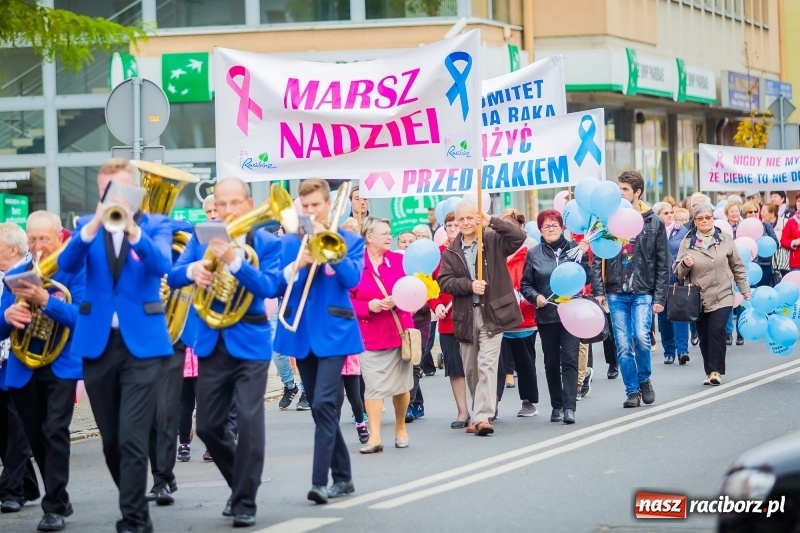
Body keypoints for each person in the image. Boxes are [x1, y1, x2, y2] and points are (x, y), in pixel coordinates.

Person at [57, 159, 173, 533]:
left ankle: (135, 517)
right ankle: (133, 499)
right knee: (111, 441)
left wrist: (134, 230)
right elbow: (65, 267)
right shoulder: (85, 229)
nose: (113, 197)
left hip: (143, 345)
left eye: (120, 190)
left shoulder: (156, 225)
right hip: (98, 343)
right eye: (106, 190)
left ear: (135, 192)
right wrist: (91, 226)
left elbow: (162, 266)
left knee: (133, 435)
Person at [168, 177, 283, 528]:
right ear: (213, 207)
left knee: (249, 418)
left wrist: (234, 261)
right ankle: (240, 485)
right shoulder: (202, 239)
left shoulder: (264, 242)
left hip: (249, 340)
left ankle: (245, 501)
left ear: (248, 206)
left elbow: (270, 286)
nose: (228, 210)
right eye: (222, 204)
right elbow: (171, 277)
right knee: (208, 425)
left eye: (235, 203)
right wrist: (193, 270)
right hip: (210, 341)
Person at [274, 178, 365, 504]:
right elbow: (272, 286)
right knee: (321, 411)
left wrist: (329, 253)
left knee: (325, 404)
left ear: (328, 205)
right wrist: (298, 264)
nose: (311, 211)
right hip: (299, 335)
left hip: (335, 334)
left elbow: (353, 279)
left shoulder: (349, 240)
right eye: (306, 206)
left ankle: (319, 481)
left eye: (317, 205)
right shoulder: (289, 243)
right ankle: (344, 477)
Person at [0, 212, 85, 532]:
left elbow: (83, 318)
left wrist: (46, 300)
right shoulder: (18, 273)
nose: (37, 246)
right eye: (32, 239)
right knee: (35, 436)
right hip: (23, 367)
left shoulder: (74, 270)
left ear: (59, 239)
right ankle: (59, 499)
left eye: (43, 239)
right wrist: (8, 315)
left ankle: (53, 507)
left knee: (55, 432)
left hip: (61, 365)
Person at [438, 202, 526, 435]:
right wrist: (469, 285)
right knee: (471, 369)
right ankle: (480, 412)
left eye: (471, 218)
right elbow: (444, 281)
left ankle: (482, 417)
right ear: (456, 223)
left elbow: (519, 237)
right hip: (465, 316)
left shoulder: (493, 241)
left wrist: (492, 220)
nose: (466, 223)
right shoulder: (451, 252)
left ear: (478, 219)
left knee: (487, 364)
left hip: (493, 313)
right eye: (462, 219)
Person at [591, 171, 668, 409]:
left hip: (642, 290)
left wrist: (660, 296)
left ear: (637, 192)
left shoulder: (653, 221)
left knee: (642, 339)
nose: (620, 193)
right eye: (619, 189)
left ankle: (644, 379)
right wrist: (599, 288)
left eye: (625, 189)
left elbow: (663, 261)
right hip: (616, 291)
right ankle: (632, 390)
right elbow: (596, 257)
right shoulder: (606, 220)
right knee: (623, 344)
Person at [350, 217, 414, 452]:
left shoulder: (399, 261)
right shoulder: (355, 264)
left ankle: (400, 427)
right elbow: (346, 300)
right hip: (370, 335)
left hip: (399, 331)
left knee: (401, 385)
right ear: (369, 236)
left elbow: (415, 290)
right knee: (374, 386)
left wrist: (398, 300)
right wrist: (369, 306)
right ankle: (375, 437)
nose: (389, 237)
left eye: (390, 233)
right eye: (384, 233)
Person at [521, 210, 589, 424]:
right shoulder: (534, 254)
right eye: (546, 226)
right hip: (547, 314)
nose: (551, 229)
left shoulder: (575, 250)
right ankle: (556, 405)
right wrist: (536, 297)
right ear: (540, 230)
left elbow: (587, 275)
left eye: (554, 225)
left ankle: (570, 407)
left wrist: (585, 255)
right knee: (551, 363)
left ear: (562, 227)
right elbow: (525, 284)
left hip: (572, 313)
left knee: (569, 359)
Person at [146, 214, 194, 506]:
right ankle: (162, 474)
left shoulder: (177, 245)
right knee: (146, 416)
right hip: (139, 336)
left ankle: (162, 478)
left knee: (166, 411)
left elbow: (187, 232)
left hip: (173, 338)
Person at [674, 204, 750, 386]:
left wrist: (744, 288)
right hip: (698, 297)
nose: (704, 221)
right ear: (695, 221)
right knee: (705, 336)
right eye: (700, 218)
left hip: (723, 293)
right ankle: (709, 371)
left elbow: (737, 266)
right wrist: (685, 264)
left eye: (708, 217)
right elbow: (677, 272)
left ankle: (716, 371)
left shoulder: (724, 239)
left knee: (717, 330)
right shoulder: (687, 242)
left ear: (713, 219)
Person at [0, 223, 40, 517]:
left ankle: (10, 490)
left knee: (17, 429)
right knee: (3, 430)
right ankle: (27, 485)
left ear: (12, 249)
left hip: (25, 362)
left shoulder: (34, 274)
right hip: (2, 362)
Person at [497, 209, 539, 419]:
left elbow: (535, 281)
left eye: (512, 226)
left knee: (525, 362)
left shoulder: (530, 253)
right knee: (495, 365)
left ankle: (529, 401)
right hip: (498, 319)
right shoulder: (492, 252)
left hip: (525, 317)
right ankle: (491, 404)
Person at [429, 212, 468, 428]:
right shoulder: (437, 255)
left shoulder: (475, 251)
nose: (453, 228)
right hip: (448, 320)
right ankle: (462, 411)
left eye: (457, 224)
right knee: (455, 367)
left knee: (476, 366)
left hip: (472, 316)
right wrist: (436, 304)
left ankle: (484, 408)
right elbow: (430, 285)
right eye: (449, 225)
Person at [652, 202, 689, 365]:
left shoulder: (682, 231)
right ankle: (669, 351)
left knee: (680, 315)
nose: (669, 215)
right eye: (665, 213)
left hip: (678, 279)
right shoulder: (653, 232)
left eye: (671, 212)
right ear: (657, 216)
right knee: (664, 317)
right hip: (660, 281)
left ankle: (682, 351)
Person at [743, 200, 778, 289]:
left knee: (763, 291)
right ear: (745, 214)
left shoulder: (766, 225)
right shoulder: (741, 228)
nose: (753, 214)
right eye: (750, 212)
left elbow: (776, 244)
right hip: (748, 267)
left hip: (764, 265)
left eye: (756, 211)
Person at [763, 203, 789, 279]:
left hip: (783, 261)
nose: (761, 214)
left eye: (763, 211)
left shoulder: (785, 222)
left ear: (772, 214)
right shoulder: (762, 225)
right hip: (769, 262)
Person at [780, 194, 800, 272]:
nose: (799, 203)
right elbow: (783, 241)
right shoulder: (791, 221)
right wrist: (794, 242)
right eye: (798, 201)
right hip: (796, 264)